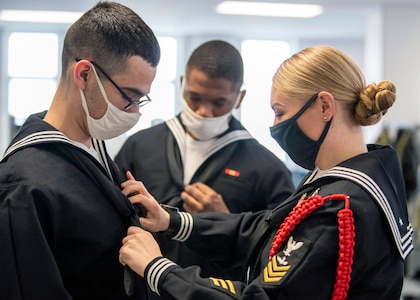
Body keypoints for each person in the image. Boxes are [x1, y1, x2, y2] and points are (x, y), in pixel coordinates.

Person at [119, 45, 414, 299]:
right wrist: (170, 220)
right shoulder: (358, 175)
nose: (275, 125)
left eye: (280, 112)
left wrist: (156, 268)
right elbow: (262, 230)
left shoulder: (339, 208)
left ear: (325, 105)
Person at [0, 2, 160, 299]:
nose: (136, 112)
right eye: (129, 97)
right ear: (85, 75)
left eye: (142, 100)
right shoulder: (24, 185)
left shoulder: (92, 145)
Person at [115, 40, 295, 280]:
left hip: (217, 291)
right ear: (182, 84)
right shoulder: (140, 146)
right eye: (194, 98)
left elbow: (279, 253)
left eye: (219, 103)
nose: (204, 112)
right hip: (141, 289)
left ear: (239, 98)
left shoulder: (267, 168)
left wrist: (227, 222)